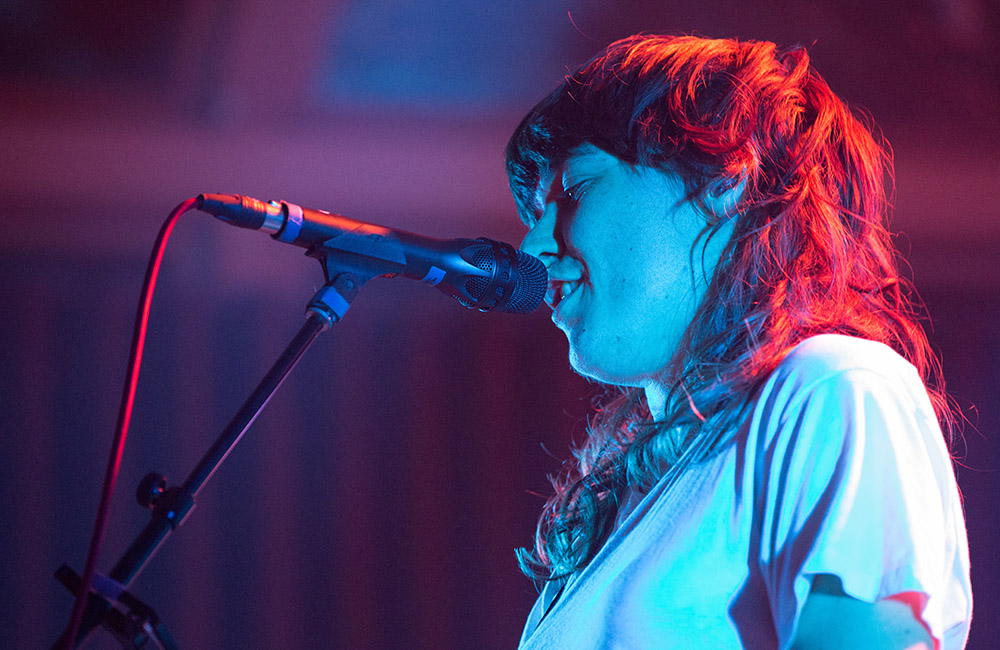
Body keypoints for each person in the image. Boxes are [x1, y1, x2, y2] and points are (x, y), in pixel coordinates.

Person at [507, 35, 972, 649]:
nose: (533, 247)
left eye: (577, 190)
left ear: (722, 178)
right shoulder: (628, 500)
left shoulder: (830, 386)